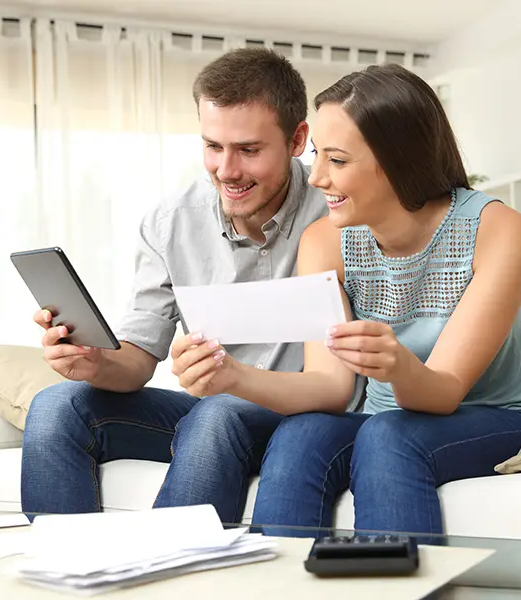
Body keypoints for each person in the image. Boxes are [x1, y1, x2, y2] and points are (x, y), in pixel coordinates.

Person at [171, 62, 521, 536]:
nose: (315, 178)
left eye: (338, 160)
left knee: (388, 434)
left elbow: (445, 390)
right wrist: (232, 375)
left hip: (497, 416)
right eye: (316, 155)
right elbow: (330, 387)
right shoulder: (325, 241)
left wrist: (396, 366)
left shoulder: (497, 229)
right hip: (384, 421)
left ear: (397, 159)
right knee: (301, 435)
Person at [19, 47, 358, 522]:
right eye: (213, 147)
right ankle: (68, 577)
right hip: (213, 417)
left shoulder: (340, 211)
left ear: (298, 139)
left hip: (303, 415)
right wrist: (93, 361)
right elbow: (136, 361)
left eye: (249, 150)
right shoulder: (169, 222)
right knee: (57, 405)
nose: (226, 170)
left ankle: (169, 576)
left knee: (218, 411)